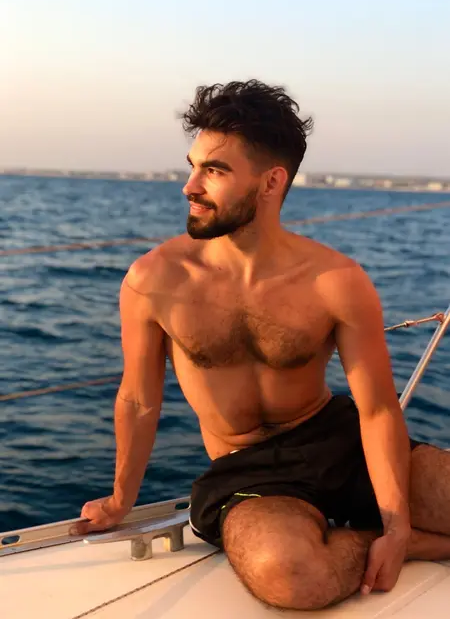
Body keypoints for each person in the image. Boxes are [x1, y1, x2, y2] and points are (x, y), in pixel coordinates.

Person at [72, 80, 450, 611]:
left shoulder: (335, 281)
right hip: (247, 470)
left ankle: (389, 536)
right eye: (193, 166)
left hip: (338, 441)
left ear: (271, 181)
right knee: (292, 576)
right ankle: (401, 544)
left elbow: (377, 409)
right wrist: (119, 500)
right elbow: (138, 399)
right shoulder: (154, 280)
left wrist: (397, 522)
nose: (189, 186)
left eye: (214, 171)